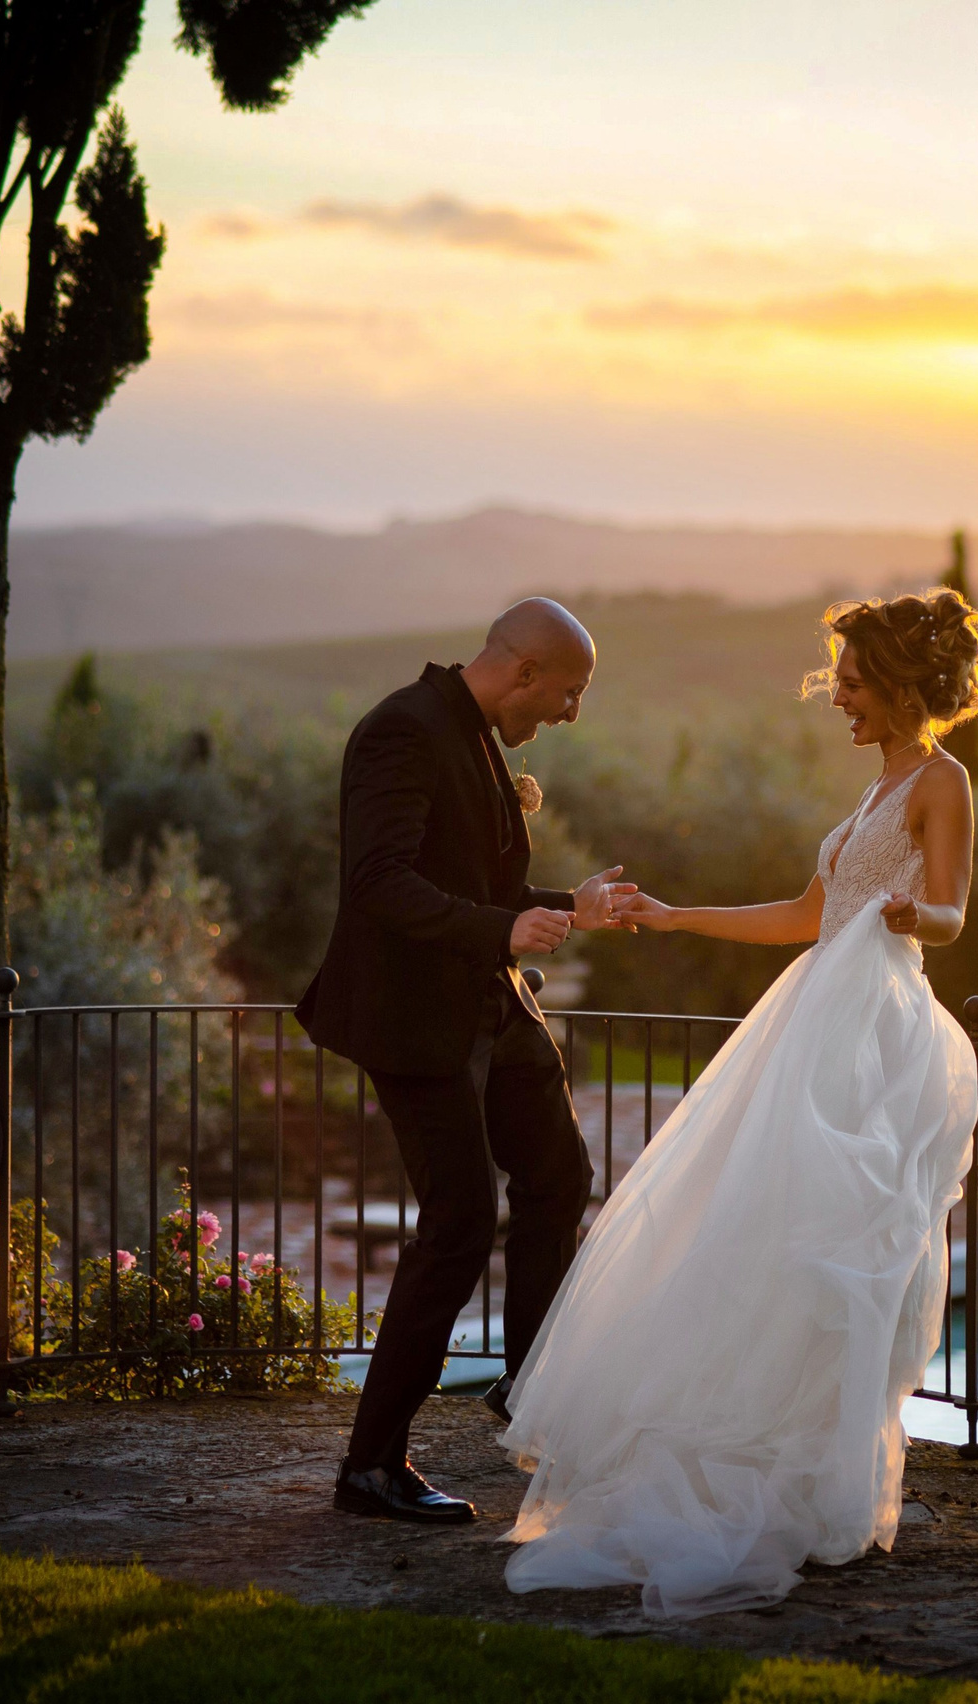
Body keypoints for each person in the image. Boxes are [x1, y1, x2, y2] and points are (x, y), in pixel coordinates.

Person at [497, 586, 978, 1618]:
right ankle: (757, 1470)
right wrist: (673, 919)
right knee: (760, 1244)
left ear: (897, 682)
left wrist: (913, 913)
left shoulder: (943, 783)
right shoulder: (868, 794)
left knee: (839, 1256)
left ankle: (803, 1484)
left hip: (874, 1037)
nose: (837, 696)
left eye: (850, 680)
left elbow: (949, 912)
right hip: (815, 1019)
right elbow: (807, 916)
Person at [297, 597, 636, 1524]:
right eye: (568, 694)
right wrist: (502, 927)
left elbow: (477, 886)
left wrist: (571, 903)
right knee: (456, 1221)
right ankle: (370, 1467)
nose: (571, 715)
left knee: (559, 1173)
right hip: (416, 1019)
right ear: (524, 673)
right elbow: (378, 884)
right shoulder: (401, 731)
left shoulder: (475, 731)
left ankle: (530, 1392)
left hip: (491, 1005)